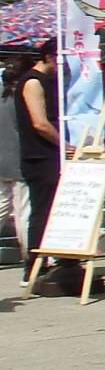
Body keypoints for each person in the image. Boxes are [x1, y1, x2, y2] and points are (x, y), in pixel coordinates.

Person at [13, 41, 62, 283]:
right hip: (39, 157)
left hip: (49, 155)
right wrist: (64, 144)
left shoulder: (50, 81)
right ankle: (33, 266)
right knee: (42, 211)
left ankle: (61, 260)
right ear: (49, 56)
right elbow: (40, 123)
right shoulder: (33, 81)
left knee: (55, 209)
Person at [0, 57, 29, 255]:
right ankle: (31, 258)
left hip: (2, 160)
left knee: (2, 205)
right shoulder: (23, 98)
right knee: (24, 212)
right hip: (20, 159)